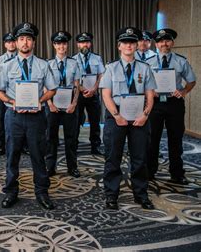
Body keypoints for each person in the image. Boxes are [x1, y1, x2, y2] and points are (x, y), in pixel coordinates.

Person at [0, 22, 58, 210]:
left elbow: (52, 89)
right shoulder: (7, 66)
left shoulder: (43, 65)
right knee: (12, 155)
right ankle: (11, 192)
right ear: (16, 42)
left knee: (38, 156)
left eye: (28, 39)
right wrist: (13, 102)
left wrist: (41, 100)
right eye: (21, 39)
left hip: (36, 117)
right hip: (14, 117)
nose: (25, 42)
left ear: (33, 42)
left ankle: (42, 192)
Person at [100, 27, 156, 210]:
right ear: (119, 46)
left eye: (132, 42)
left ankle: (141, 195)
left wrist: (145, 115)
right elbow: (106, 95)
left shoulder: (145, 68)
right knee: (112, 157)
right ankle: (111, 195)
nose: (129, 45)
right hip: (116, 117)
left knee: (140, 158)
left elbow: (150, 94)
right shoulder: (111, 68)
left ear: (137, 44)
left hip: (139, 118)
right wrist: (116, 116)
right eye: (125, 42)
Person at [146, 28, 196, 185]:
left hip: (174, 104)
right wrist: (150, 92)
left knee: (176, 139)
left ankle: (177, 173)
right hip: (155, 104)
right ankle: (150, 171)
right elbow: (143, 82)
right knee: (152, 138)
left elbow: (191, 80)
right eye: (160, 41)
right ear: (156, 44)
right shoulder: (149, 62)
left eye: (167, 40)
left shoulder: (181, 61)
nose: (164, 44)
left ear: (172, 43)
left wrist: (183, 91)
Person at [45, 31, 81, 178]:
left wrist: (74, 103)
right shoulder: (48, 64)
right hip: (52, 104)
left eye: (64, 43)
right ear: (54, 45)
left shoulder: (74, 63)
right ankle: (50, 167)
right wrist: (49, 103)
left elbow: (77, 85)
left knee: (71, 138)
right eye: (58, 43)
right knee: (50, 137)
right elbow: (45, 86)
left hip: (69, 105)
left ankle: (72, 167)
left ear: (67, 45)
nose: (61, 46)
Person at [72, 32, 105, 155]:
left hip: (93, 94)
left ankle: (95, 147)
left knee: (95, 122)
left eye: (86, 42)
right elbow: (72, 78)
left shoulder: (97, 58)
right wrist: (81, 89)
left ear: (90, 44)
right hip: (78, 95)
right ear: (77, 45)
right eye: (81, 42)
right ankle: (73, 145)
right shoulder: (73, 59)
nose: (84, 44)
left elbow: (101, 75)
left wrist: (94, 89)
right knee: (76, 122)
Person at [0, 33, 17, 156]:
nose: (11, 44)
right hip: (4, 96)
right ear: (5, 44)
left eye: (13, 41)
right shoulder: (1, 60)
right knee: (2, 121)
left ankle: (23, 146)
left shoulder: (21, 58)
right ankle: (1, 145)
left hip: (19, 96)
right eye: (8, 42)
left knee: (22, 122)